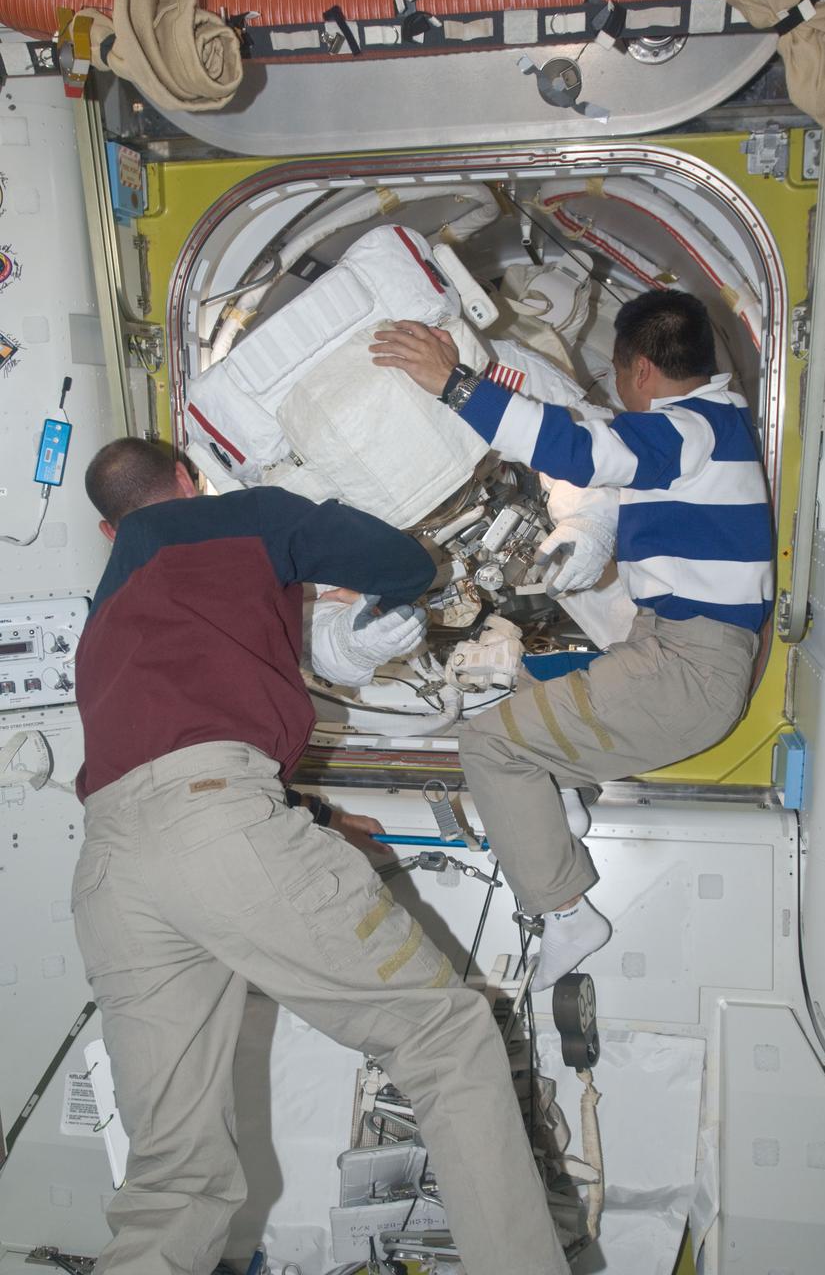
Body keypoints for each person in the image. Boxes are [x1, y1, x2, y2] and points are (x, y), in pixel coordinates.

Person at [72, 437, 572, 1275]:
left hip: (111, 870)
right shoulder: (246, 515)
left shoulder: (103, 613)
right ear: (190, 480)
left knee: (172, 1178)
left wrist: (306, 815)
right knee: (446, 1040)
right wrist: (429, 581)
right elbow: (394, 558)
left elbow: (163, 753)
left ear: (104, 529)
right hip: (217, 827)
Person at [371, 289, 774, 990]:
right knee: (522, 681)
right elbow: (586, 436)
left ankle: (566, 912)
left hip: (686, 671)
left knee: (488, 744)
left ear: (641, 370)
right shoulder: (717, 424)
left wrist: (453, 386)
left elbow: (581, 448)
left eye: (619, 375)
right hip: (669, 651)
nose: (618, 389)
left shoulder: (687, 432)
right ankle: (555, 799)